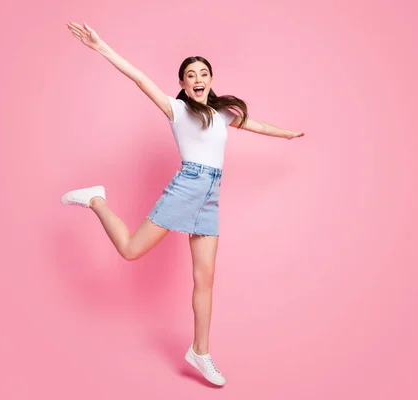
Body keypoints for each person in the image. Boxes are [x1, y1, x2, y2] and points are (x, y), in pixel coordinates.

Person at [62, 21, 305, 386]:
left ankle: (200, 352)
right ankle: (96, 199)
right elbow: (139, 78)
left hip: (210, 195)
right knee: (130, 251)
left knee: (204, 278)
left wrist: (286, 133)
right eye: (190, 74)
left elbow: (255, 124)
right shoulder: (176, 111)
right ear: (182, 84)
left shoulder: (223, 114)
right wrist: (101, 47)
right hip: (187, 186)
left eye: (203, 73)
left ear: (210, 79)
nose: (197, 78)